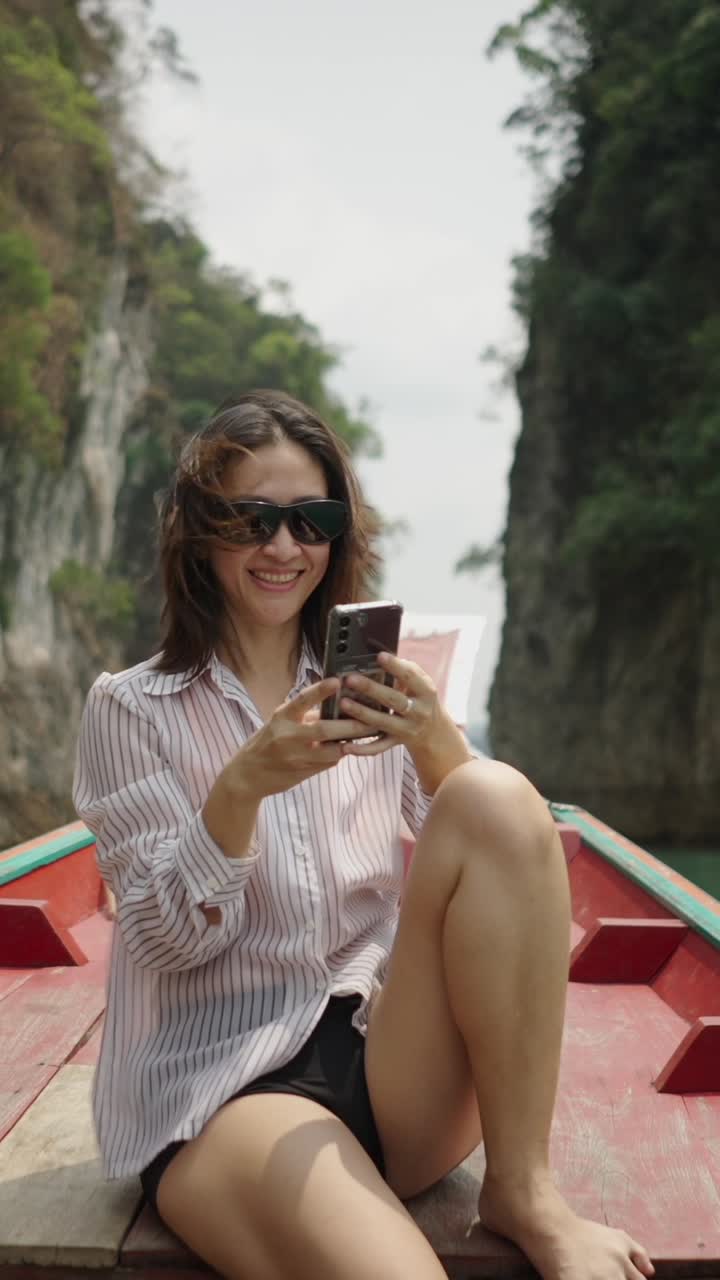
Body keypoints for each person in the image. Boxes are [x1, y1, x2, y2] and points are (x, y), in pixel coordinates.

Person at [73, 390, 654, 1280]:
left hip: (389, 1057)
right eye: (250, 518)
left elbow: (511, 864)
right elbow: (162, 939)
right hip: (229, 1088)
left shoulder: (374, 690)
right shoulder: (131, 709)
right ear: (197, 530)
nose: (283, 546)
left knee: (494, 795)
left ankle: (526, 1191)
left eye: (312, 520)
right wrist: (239, 792)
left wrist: (436, 746)